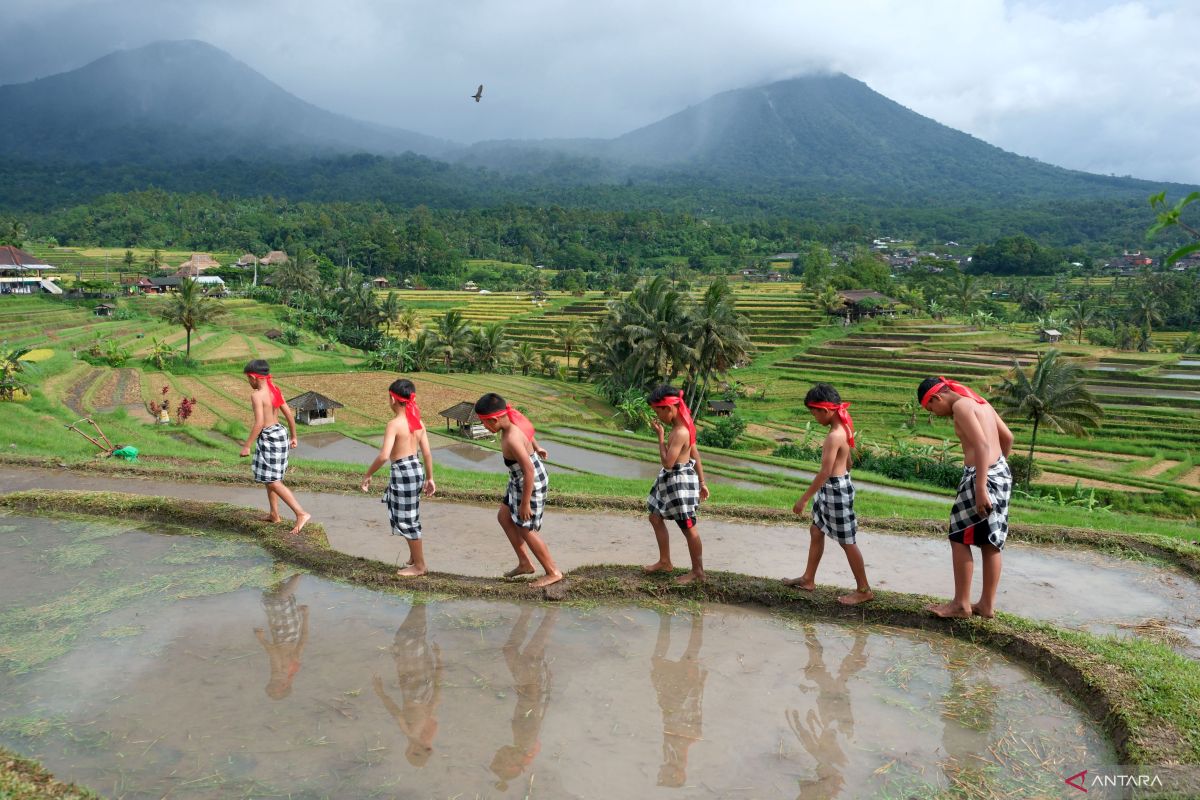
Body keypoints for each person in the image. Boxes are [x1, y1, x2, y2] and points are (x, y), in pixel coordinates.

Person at [917, 376, 1015, 619]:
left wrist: (981, 485)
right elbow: (1008, 438)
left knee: (959, 537)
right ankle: (986, 605)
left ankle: (961, 604)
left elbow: (981, 446)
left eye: (932, 408)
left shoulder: (961, 406)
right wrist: (996, 466)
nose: (935, 413)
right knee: (990, 541)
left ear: (938, 397)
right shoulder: (982, 403)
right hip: (1000, 473)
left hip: (981, 477)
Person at [783, 383, 874, 605]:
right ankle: (808, 579)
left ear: (825, 410)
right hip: (836, 486)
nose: (814, 418)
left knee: (847, 541)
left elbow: (825, 471)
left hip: (834, 489)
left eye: (814, 413)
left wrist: (803, 499)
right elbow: (849, 460)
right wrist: (845, 475)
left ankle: (864, 589)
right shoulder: (844, 425)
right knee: (816, 530)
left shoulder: (834, 435)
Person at [474, 393, 563, 588]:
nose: (485, 427)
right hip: (518, 479)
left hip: (530, 481)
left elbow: (529, 470)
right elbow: (529, 433)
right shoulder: (512, 420)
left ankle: (553, 571)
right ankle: (525, 563)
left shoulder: (512, 438)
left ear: (494, 419)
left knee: (525, 527)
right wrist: (537, 447)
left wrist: (524, 503)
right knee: (504, 517)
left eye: (484, 423)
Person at [362, 379, 437, 577]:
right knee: (409, 513)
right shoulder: (418, 422)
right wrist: (430, 478)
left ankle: (420, 566)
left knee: (406, 519)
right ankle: (414, 557)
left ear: (393, 399)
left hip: (403, 472)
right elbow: (427, 453)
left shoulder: (394, 424)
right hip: (416, 468)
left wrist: (368, 474)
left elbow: (384, 455)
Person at [643, 386, 710, 584]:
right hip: (672, 480)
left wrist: (660, 437)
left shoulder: (680, 431)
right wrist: (702, 482)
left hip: (679, 482)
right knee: (655, 517)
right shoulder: (684, 425)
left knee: (688, 527)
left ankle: (698, 571)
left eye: (658, 411)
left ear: (669, 408)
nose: (657, 416)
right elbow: (695, 455)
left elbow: (667, 463)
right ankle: (665, 561)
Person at [490, 606, 557, 790]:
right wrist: (530, 685)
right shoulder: (526, 740)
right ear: (514, 762)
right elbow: (534, 709)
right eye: (501, 758)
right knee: (531, 652)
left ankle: (528, 612)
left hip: (527, 687)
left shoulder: (521, 743)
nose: (499, 753)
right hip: (532, 687)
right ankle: (551, 613)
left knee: (510, 650)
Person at [240, 359, 310, 535]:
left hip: (269, 438)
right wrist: (294, 436)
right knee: (268, 477)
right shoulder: (274, 389)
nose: (249, 383)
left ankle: (301, 513)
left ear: (253, 377)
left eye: (248, 379)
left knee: (273, 480)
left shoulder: (257, 395)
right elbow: (288, 414)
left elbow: (259, 423)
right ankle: (274, 514)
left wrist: (247, 445)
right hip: (280, 434)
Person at [373, 602, 443, 767]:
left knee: (410, 636)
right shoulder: (416, 730)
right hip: (416, 671)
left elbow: (438, 691)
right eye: (416, 752)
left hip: (415, 672)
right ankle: (420, 602)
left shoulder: (416, 728)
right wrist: (439, 661)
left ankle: (419, 603)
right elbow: (396, 712)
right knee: (408, 636)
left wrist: (381, 693)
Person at [650, 612, 707, 788]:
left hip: (673, 709)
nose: (660, 771)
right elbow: (695, 713)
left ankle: (667, 618)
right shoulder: (677, 756)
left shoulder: (671, 756)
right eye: (664, 775)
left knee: (661, 659)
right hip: (681, 710)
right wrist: (698, 686)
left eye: (661, 775)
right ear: (677, 775)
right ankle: (696, 618)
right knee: (689, 657)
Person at [254, 573, 309, 700]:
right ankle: (299, 570)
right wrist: (261, 639)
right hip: (283, 627)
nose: (272, 682)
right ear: (284, 685)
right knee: (278, 598)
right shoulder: (279, 673)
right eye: (273, 685)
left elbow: (304, 639)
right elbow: (273, 652)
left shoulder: (293, 669)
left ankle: (282, 566)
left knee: (274, 593)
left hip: (293, 627)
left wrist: (305, 616)